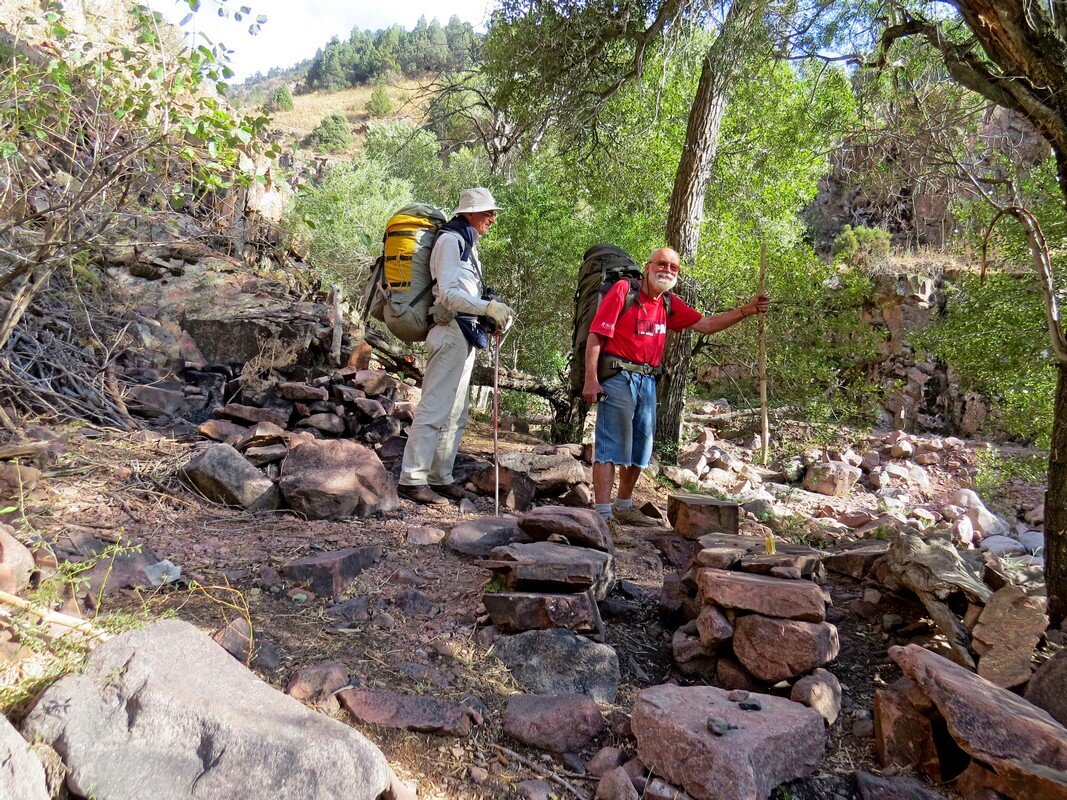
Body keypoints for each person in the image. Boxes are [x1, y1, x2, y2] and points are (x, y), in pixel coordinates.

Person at [581, 247, 769, 533]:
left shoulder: (668, 303)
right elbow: (597, 334)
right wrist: (590, 379)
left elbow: (706, 325)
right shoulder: (623, 290)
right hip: (618, 376)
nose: (667, 270)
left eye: (673, 267)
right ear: (648, 266)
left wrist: (747, 310)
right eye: (662, 264)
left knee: (640, 449)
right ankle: (602, 517)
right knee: (610, 447)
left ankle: (623, 507)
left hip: (647, 382)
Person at [398, 187, 515, 505]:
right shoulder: (451, 241)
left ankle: (440, 477)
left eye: (493, 212)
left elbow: (465, 292)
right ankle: (412, 479)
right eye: (488, 212)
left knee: (456, 411)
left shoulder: (467, 242)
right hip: (449, 330)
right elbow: (449, 294)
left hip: (462, 333)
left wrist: (490, 312)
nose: (492, 218)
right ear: (470, 213)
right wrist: (486, 308)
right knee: (435, 406)